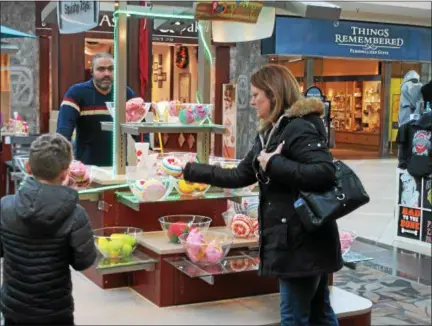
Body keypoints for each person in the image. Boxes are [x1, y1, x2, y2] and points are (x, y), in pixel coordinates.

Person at [181, 64, 343, 326]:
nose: (252, 101)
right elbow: (240, 175)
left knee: (297, 317)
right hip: (296, 238)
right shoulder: (270, 132)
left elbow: (324, 172)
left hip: (302, 241)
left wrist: (274, 165)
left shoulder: (298, 128)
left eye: (257, 95)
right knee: (318, 313)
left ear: (274, 95)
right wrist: (191, 170)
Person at [0, 133, 97, 325]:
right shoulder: (75, 214)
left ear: (28, 167)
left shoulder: (5, 206)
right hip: (55, 312)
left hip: (13, 309)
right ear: (64, 173)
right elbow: (83, 261)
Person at [56, 52, 150, 166]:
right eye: (101, 69)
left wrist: (146, 154)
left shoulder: (125, 93)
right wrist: (64, 162)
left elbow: (140, 130)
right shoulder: (76, 93)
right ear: (91, 71)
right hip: (86, 168)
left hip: (119, 167)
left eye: (111, 69)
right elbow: (64, 130)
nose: (107, 73)